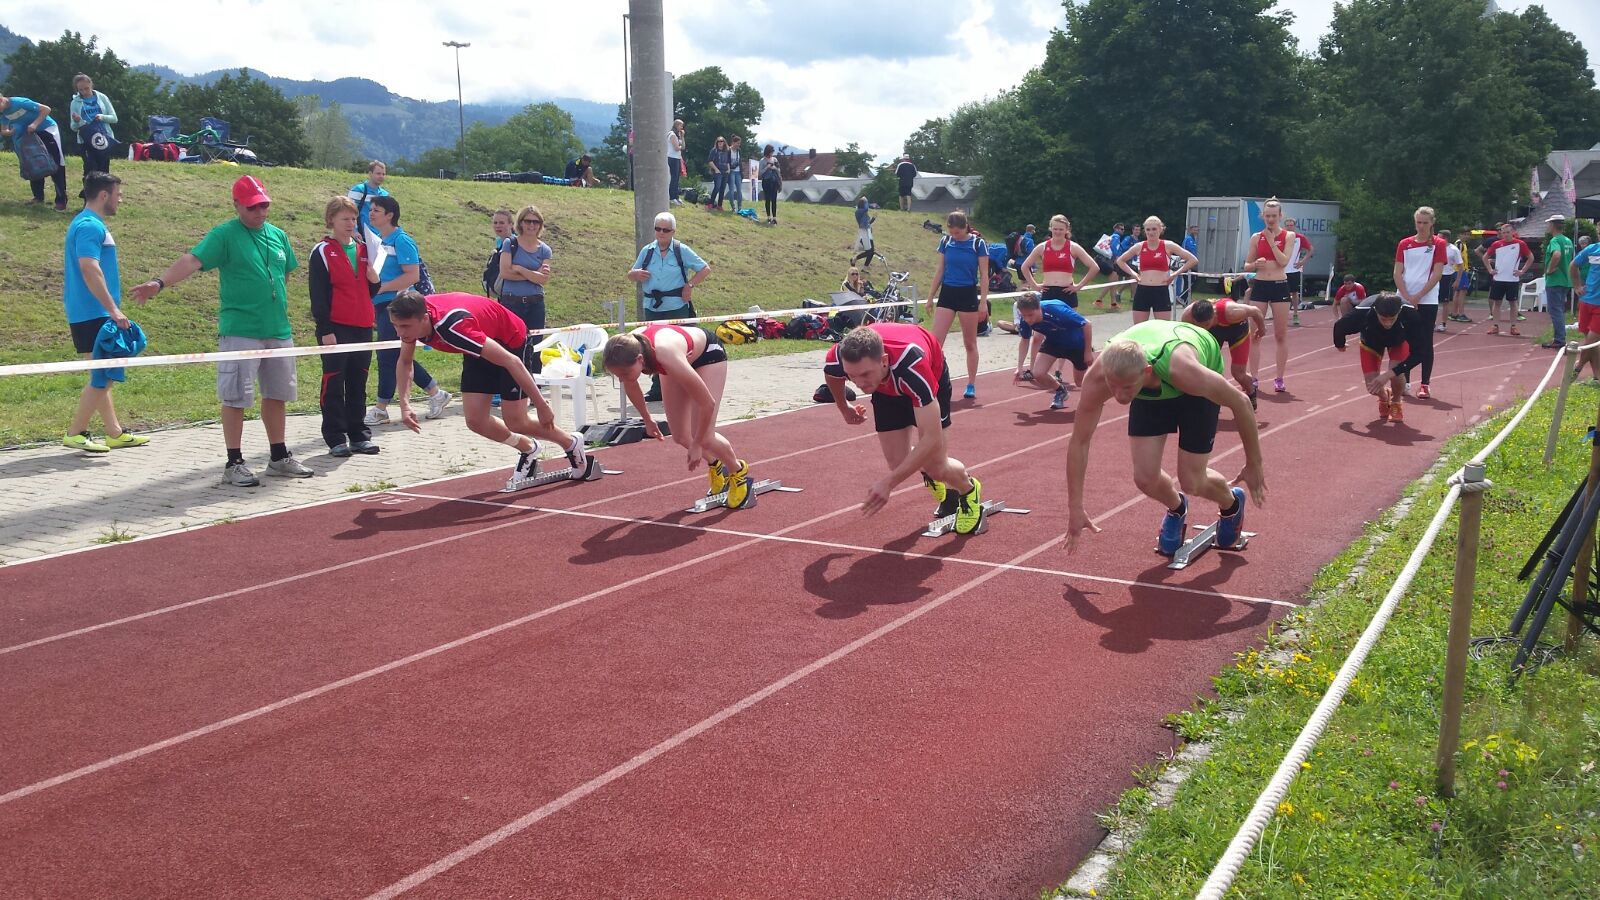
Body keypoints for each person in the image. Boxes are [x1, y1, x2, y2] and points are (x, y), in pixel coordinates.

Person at [130, 175, 313, 486]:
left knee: (277, 394)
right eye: (253, 207)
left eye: (264, 205)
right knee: (236, 397)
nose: (260, 212)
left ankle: (279, 456)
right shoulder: (224, 235)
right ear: (237, 205)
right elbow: (192, 260)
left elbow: (285, 274)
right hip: (240, 329)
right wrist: (159, 283)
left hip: (278, 330)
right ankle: (234, 462)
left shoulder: (278, 235)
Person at [1064, 319, 1266, 555]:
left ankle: (1231, 504)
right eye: (1113, 386)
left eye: (1127, 387)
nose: (1119, 396)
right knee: (1145, 478)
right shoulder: (1099, 379)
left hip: (1192, 380)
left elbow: (1241, 402)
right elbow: (1079, 441)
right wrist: (1075, 506)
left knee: (1192, 480)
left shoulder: (1186, 372)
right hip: (1151, 385)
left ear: (1146, 372)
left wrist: (1254, 463)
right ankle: (1177, 508)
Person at [387, 290, 587, 482]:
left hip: (511, 342)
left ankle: (570, 442)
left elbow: (512, 362)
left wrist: (542, 405)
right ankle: (529, 448)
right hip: (478, 342)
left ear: (424, 318)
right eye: (395, 325)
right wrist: (405, 405)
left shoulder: (452, 327)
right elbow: (405, 362)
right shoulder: (415, 318)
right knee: (476, 421)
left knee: (517, 421)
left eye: (405, 326)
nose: (399, 332)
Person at [822, 323, 985, 533]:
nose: (859, 383)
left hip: (927, 378)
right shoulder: (840, 356)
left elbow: (932, 438)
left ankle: (968, 488)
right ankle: (928, 471)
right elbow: (832, 375)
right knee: (898, 463)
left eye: (864, 374)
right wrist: (844, 407)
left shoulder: (913, 367)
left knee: (936, 466)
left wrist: (888, 484)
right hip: (885, 387)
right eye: (851, 376)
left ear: (883, 361)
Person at [602, 319, 751, 507]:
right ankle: (715, 464)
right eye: (617, 375)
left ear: (640, 359)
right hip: (679, 358)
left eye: (623, 374)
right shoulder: (626, 350)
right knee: (680, 436)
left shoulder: (666, 355)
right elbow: (631, 385)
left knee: (704, 436)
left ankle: (737, 471)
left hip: (707, 356)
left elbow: (707, 404)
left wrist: (697, 444)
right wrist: (648, 419)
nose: (621, 379)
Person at [61, 171, 149, 453]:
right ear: (103, 195)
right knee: (103, 377)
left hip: (89, 311)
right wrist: (113, 309)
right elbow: (89, 267)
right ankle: (75, 433)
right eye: (117, 195)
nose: (120, 200)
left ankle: (114, 432)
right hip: (94, 312)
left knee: (103, 376)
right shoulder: (90, 226)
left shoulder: (86, 223)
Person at [363, 195, 451, 425]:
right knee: (393, 354)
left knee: (388, 355)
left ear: (390, 215)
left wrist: (382, 287)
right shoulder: (377, 241)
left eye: (376, 210)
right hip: (381, 304)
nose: (371, 213)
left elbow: (412, 275)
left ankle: (381, 408)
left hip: (397, 304)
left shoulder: (402, 240)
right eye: (370, 209)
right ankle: (435, 393)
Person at [309, 196, 380, 457]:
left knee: (358, 381)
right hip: (336, 328)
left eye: (353, 218)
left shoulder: (364, 249)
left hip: (363, 325)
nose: (350, 223)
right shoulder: (322, 251)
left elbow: (370, 290)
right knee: (334, 383)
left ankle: (359, 434)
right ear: (331, 220)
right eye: (344, 219)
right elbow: (318, 294)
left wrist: (375, 280)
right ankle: (335, 436)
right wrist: (325, 329)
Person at [629, 211, 712, 401]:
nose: (661, 233)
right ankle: (658, 389)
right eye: (658, 229)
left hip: (676, 306)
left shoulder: (681, 250)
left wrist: (689, 285)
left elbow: (704, 269)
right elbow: (631, 273)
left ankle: (685, 385)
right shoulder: (647, 251)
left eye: (665, 230)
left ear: (673, 231)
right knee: (651, 348)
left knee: (679, 349)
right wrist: (635, 275)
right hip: (652, 307)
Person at [926, 210, 989, 400]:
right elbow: (940, 270)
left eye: (958, 232)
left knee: (969, 342)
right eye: (952, 232)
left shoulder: (978, 244)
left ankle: (971, 383)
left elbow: (984, 275)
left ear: (965, 227)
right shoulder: (946, 241)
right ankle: (933, 381)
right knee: (935, 343)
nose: (955, 236)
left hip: (967, 294)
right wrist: (930, 296)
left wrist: (983, 302)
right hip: (948, 293)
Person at [1332, 292, 1425, 422]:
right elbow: (1339, 326)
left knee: (1396, 374)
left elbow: (1420, 354)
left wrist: (1388, 375)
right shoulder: (1362, 312)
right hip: (1371, 341)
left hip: (1398, 341)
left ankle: (1396, 402)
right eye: (1383, 319)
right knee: (1372, 386)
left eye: (1392, 319)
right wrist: (1340, 344)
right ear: (1375, 311)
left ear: (1399, 312)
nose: (1387, 323)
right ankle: (1384, 397)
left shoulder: (1410, 314)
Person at [1393, 206, 1448, 398]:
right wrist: (1407, 296)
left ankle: (1425, 384)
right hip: (1404, 299)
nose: (1421, 226)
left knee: (1425, 341)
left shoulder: (1438, 244)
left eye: (1425, 222)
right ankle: (1405, 382)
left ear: (1432, 223)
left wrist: (1419, 296)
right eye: (1418, 222)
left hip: (1427, 299)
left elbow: (1437, 274)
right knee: (1404, 341)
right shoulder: (1404, 243)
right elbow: (1397, 272)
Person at [1011, 292, 1095, 411]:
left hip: (1076, 344)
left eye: (1030, 315)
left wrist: (1087, 351)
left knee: (1080, 382)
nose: (1028, 319)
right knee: (1037, 373)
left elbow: (1087, 324)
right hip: (1054, 342)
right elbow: (1025, 340)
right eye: (1024, 315)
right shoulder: (1025, 320)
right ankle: (1061, 391)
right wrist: (1019, 367)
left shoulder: (1056, 310)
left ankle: (1099, 390)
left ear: (1039, 308)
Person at [1245, 197, 1295, 393]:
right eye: (1267, 216)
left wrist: (1272, 242)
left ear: (1280, 216)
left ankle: (1279, 378)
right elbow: (1247, 265)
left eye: (1274, 216)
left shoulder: (1288, 235)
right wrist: (1254, 264)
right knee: (1255, 334)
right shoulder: (1256, 237)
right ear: (1263, 216)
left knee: (1280, 335)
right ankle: (1254, 377)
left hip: (1279, 285)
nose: (1271, 220)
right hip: (1260, 286)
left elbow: (1283, 261)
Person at [1181, 296, 1265, 407]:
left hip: (1237, 330)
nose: (1203, 328)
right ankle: (1208, 401)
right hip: (1214, 332)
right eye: (1199, 326)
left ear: (1213, 316)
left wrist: (1261, 328)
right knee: (1206, 368)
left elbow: (1256, 311)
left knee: (1238, 374)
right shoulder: (1187, 316)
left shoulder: (1232, 311)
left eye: (1206, 325)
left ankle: (1251, 390)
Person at [1116, 215, 1198, 324]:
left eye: (1154, 229)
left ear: (1160, 229)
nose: (1151, 232)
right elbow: (1120, 261)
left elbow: (1193, 260)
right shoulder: (1139, 246)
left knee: (1162, 328)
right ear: (1145, 231)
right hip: (1142, 290)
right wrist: (1134, 274)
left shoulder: (1168, 245)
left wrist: (1175, 274)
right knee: (1139, 328)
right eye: (1148, 230)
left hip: (1161, 291)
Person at [0, 94, 68, 210]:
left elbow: (46, 109)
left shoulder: (19, 102)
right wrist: (8, 132)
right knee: (32, 162)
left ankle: (61, 200)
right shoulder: (3, 113)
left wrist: (34, 124)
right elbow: (4, 128)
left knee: (56, 162)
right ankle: (38, 197)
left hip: (46, 129)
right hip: (29, 135)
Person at [1019, 214, 1101, 310]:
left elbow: (1094, 267)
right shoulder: (1042, 247)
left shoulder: (1073, 247)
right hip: (1048, 292)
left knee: (1068, 320)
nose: (1057, 232)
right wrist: (1034, 285)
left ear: (1066, 230)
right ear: (1051, 229)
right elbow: (1024, 266)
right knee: (1048, 319)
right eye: (1055, 229)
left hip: (1067, 292)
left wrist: (1079, 286)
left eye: (1061, 229)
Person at [498, 204, 554, 335]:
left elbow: (543, 279)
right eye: (528, 221)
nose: (532, 225)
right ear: (521, 223)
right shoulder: (510, 244)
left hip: (536, 304)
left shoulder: (545, 250)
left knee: (535, 344)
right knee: (510, 342)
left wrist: (519, 269)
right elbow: (505, 273)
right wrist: (534, 275)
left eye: (536, 222)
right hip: (511, 302)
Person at [1484, 222, 1532, 336]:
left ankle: (1513, 326)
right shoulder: (1496, 244)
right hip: (1498, 278)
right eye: (1503, 232)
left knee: (1513, 303)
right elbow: (1485, 257)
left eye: (1508, 232)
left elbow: (1530, 257)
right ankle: (1495, 325)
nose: (1505, 234)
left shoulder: (1520, 244)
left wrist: (1522, 271)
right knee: (1497, 302)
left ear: (1512, 232)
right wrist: (1490, 269)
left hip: (1512, 279)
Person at [68, 74, 118, 175]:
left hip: (103, 138)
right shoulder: (75, 103)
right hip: (85, 140)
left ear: (91, 85)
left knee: (103, 171)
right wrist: (77, 121)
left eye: (86, 88)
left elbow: (114, 118)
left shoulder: (102, 97)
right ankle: (89, 185)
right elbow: (73, 127)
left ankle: (103, 185)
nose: (84, 92)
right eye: (81, 90)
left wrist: (102, 117)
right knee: (90, 170)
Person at [1541, 215, 1576, 350]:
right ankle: (1560, 337)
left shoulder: (1555, 240)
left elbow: (1556, 254)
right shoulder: (1567, 240)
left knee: (1555, 310)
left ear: (1552, 225)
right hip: (1566, 280)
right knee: (1559, 310)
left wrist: (1550, 269)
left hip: (1555, 280)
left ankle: (1559, 339)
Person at [1570, 236, 1600, 382]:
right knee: (1591, 341)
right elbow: (1573, 265)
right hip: (1587, 300)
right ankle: (1597, 376)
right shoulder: (1592, 249)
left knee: (1592, 339)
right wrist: (1577, 286)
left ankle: (1578, 366)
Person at [346, 160, 389, 246]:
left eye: (383, 174)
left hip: (378, 239)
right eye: (378, 173)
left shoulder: (385, 194)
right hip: (359, 238)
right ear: (370, 174)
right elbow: (348, 212)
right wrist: (353, 231)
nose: (381, 176)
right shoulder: (358, 190)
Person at [1283, 217, 1315, 322]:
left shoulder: (1300, 237)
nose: (1289, 227)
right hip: (1281, 270)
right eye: (1287, 225)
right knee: (1282, 293)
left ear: (1294, 226)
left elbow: (1311, 249)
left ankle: (1295, 314)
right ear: (1284, 226)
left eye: (1291, 225)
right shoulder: (1280, 236)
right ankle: (1283, 314)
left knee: (1294, 292)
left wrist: (1303, 261)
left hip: (1294, 269)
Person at [1446, 228, 1474, 323]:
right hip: (1459, 270)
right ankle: (1461, 314)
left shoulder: (1462, 244)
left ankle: (1454, 313)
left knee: (1457, 292)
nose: (1466, 236)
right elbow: (1456, 258)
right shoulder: (1459, 244)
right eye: (1464, 234)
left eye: (1468, 234)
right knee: (1462, 292)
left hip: (1459, 270)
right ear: (1460, 235)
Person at [851, 196, 882, 269]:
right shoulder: (858, 211)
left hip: (868, 233)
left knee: (871, 252)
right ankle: (854, 259)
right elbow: (866, 208)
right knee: (869, 252)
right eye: (866, 202)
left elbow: (867, 224)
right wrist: (873, 205)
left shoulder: (864, 212)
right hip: (863, 234)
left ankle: (865, 268)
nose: (867, 204)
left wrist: (873, 219)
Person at [707, 137, 732, 210]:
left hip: (725, 172)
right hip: (717, 172)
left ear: (724, 142)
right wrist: (716, 170)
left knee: (722, 189)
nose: (720, 143)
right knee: (717, 187)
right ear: (717, 142)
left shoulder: (727, 151)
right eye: (719, 141)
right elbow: (710, 161)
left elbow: (728, 161)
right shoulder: (714, 150)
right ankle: (710, 204)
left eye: (721, 141)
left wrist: (728, 169)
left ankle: (719, 205)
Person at [759, 144, 782, 225]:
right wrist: (767, 167)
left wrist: (774, 168)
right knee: (768, 199)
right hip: (766, 181)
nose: (772, 153)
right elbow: (760, 173)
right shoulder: (762, 161)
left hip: (774, 181)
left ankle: (774, 218)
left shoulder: (775, 159)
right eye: (771, 152)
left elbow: (779, 170)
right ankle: (768, 217)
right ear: (768, 152)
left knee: (774, 200)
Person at [1180, 224, 1200, 304]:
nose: (1196, 231)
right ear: (1190, 230)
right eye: (1194, 230)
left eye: (1197, 230)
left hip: (1193, 263)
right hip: (1188, 263)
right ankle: (1182, 297)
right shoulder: (1188, 239)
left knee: (1192, 281)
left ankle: (1186, 301)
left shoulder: (1193, 240)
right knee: (1189, 281)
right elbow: (1183, 250)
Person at [725, 137, 745, 211]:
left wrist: (742, 171)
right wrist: (729, 169)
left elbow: (740, 161)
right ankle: (733, 207)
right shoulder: (728, 150)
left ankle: (739, 207)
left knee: (739, 189)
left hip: (738, 172)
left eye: (739, 143)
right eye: (737, 143)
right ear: (733, 142)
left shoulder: (739, 150)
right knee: (731, 190)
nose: (738, 145)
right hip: (731, 172)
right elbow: (727, 161)